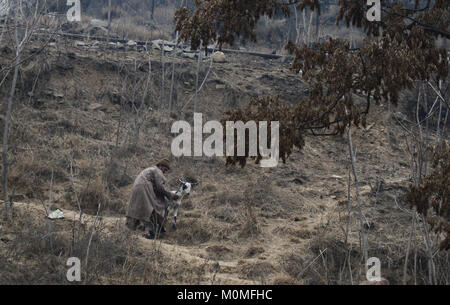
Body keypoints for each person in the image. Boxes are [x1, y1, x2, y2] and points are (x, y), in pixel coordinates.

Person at [125, 159, 179, 239]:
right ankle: (149, 232)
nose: (165, 172)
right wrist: (170, 195)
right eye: (165, 169)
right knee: (150, 210)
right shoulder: (157, 171)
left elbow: (156, 188)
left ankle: (135, 229)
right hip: (144, 188)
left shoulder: (150, 170)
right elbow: (159, 187)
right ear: (161, 166)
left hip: (137, 187)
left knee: (139, 209)